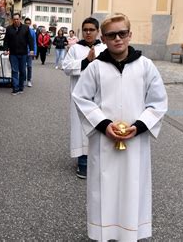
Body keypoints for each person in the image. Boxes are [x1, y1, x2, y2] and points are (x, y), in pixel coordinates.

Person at [72, 13, 168, 241]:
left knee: (133, 187)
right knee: (103, 189)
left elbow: (158, 102)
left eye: (122, 33)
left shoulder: (146, 66)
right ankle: (103, 234)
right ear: (103, 39)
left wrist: (140, 126)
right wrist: (104, 125)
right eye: (111, 35)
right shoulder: (95, 68)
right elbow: (81, 98)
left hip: (136, 142)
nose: (118, 39)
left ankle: (129, 234)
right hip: (104, 142)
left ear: (130, 35)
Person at [62, 17, 107, 178]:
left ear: (97, 31)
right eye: (85, 30)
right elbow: (66, 67)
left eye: (92, 30)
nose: (88, 33)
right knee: (81, 128)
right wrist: (86, 61)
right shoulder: (75, 49)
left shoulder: (104, 48)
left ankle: (100, 162)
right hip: (80, 93)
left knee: (99, 125)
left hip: (100, 94)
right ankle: (83, 162)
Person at [4, 13, 34, 95]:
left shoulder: (25, 28)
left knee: (22, 71)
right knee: (14, 71)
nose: (16, 21)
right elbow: (6, 40)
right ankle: (15, 88)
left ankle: (21, 87)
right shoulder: (9, 29)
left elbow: (30, 40)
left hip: (23, 53)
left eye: (17, 19)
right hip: (13, 53)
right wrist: (5, 49)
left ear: (20, 19)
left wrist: (31, 50)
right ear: (12, 20)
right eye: (14, 19)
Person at [24, 17, 37, 87]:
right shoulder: (21, 30)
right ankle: (23, 80)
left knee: (29, 66)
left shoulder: (32, 32)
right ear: (24, 23)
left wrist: (34, 52)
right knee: (22, 67)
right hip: (22, 51)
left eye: (29, 23)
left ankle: (29, 80)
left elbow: (34, 42)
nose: (27, 25)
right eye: (26, 23)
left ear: (30, 24)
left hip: (29, 52)